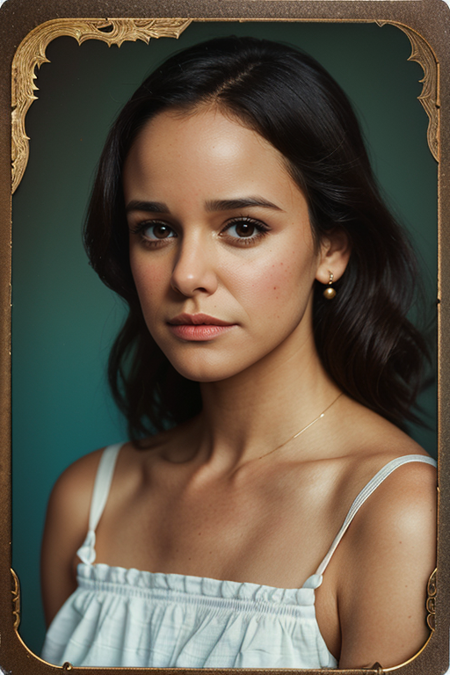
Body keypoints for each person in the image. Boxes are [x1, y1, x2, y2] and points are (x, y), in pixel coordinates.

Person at [40, 36, 436, 670]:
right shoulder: (88, 501)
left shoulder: (398, 513)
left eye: (242, 227)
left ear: (331, 248)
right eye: (157, 229)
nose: (187, 274)